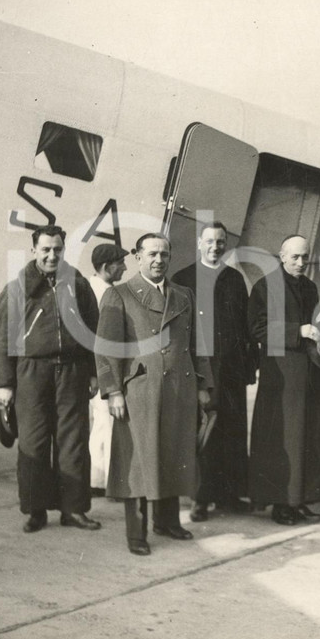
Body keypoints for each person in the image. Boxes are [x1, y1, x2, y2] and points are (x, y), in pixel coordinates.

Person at [95, 233, 213, 555]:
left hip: (179, 388)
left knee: (173, 454)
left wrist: (204, 386)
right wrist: (114, 391)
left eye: (164, 254)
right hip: (140, 390)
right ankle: (137, 533)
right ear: (137, 256)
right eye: (151, 254)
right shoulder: (119, 295)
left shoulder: (183, 295)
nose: (158, 260)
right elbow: (106, 350)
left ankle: (167, 521)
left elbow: (197, 344)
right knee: (138, 461)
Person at [0, 224, 101, 534]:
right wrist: (5, 384)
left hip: (72, 370)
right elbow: (1, 338)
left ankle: (74, 509)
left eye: (57, 249)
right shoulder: (17, 288)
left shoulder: (77, 284)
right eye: (46, 249)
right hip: (32, 372)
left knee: (73, 442)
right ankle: (35, 510)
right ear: (34, 251)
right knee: (33, 442)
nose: (52, 255)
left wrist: (93, 372)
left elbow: (93, 330)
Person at [247, 235, 320, 525]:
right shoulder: (265, 286)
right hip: (281, 377)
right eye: (295, 257)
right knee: (282, 440)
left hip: (309, 375)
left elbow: (315, 327)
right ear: (281, 256)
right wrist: (298, 331)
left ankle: (300, 499)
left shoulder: (309, 287)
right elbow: (256, 328)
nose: (300, 263)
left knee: (308, 437)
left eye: (304, 257)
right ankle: (281, 503)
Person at [172, 221, 256, 521]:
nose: (215, 247)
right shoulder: (183, 279)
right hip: (200, 370)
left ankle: (230, 496)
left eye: (220, 242)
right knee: (204, 433)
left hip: (231, 369)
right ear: (199, 243)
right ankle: (200, 498)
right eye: (209, 241)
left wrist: (249, 366)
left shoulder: (234, 279)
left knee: (232, 432)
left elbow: (245, 327)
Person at [87, 243, 129, 496]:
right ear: (106, 267)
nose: (124, 267)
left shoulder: (93, 289)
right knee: (106, 424)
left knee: (101, 424)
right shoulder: (103, 294)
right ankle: (102, 482)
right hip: (103, 371)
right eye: (120, 263)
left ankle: (98, 479)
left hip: (98, 371)